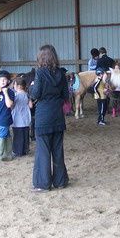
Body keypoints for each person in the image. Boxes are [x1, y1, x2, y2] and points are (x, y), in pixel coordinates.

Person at [30, 44, 69, 192]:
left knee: (43, 150)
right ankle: (60, 181)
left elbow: (35, 94)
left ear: (41, 57)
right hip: (58, 115)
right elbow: (66, 95)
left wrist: (32, 86)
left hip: (44, 116)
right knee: (58, 149)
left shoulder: (39, 73)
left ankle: (43, 184)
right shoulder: (61, 73)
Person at [11, 77, 32, 157]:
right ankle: (25, 150)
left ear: (18, 86)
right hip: (26, 118)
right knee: (25, 134)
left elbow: (11, 105)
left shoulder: (15, 95)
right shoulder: (27, 95)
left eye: (14, 84)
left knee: (17, 135)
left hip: (17, 118)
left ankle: (17, 151)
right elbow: (30, 106)